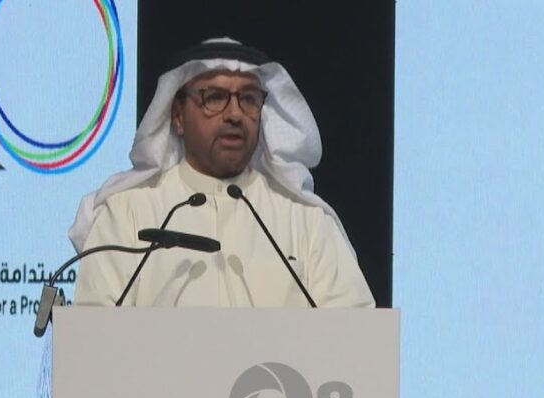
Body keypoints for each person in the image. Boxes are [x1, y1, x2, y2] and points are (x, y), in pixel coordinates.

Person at [70, 38, 374, 308]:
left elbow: (355, 332)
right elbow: (92, 331)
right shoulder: (127, 214)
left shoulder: (305, 221)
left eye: (249, 99)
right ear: (178, 116)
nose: (235, 114)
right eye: (214, 97)